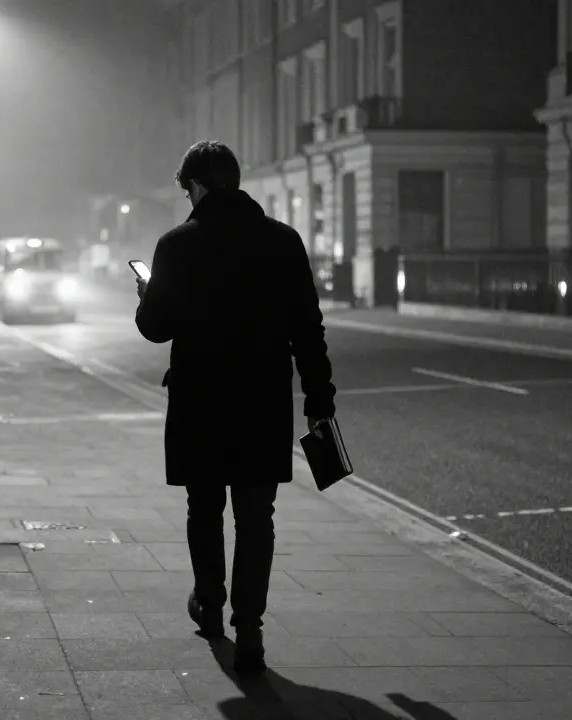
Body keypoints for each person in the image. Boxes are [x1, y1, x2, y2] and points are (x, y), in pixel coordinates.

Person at [134, 140, 336, 676]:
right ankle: (250, 628)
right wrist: (320, 401)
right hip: (262, 399)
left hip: (201, 399)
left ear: (197, 186)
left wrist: (147, 294)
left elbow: (155, 328)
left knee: (204, 509)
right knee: (255, 516)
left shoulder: (176, 245)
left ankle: (209, 604)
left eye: (187, 190)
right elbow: (308, 330)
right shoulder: (283, 241)